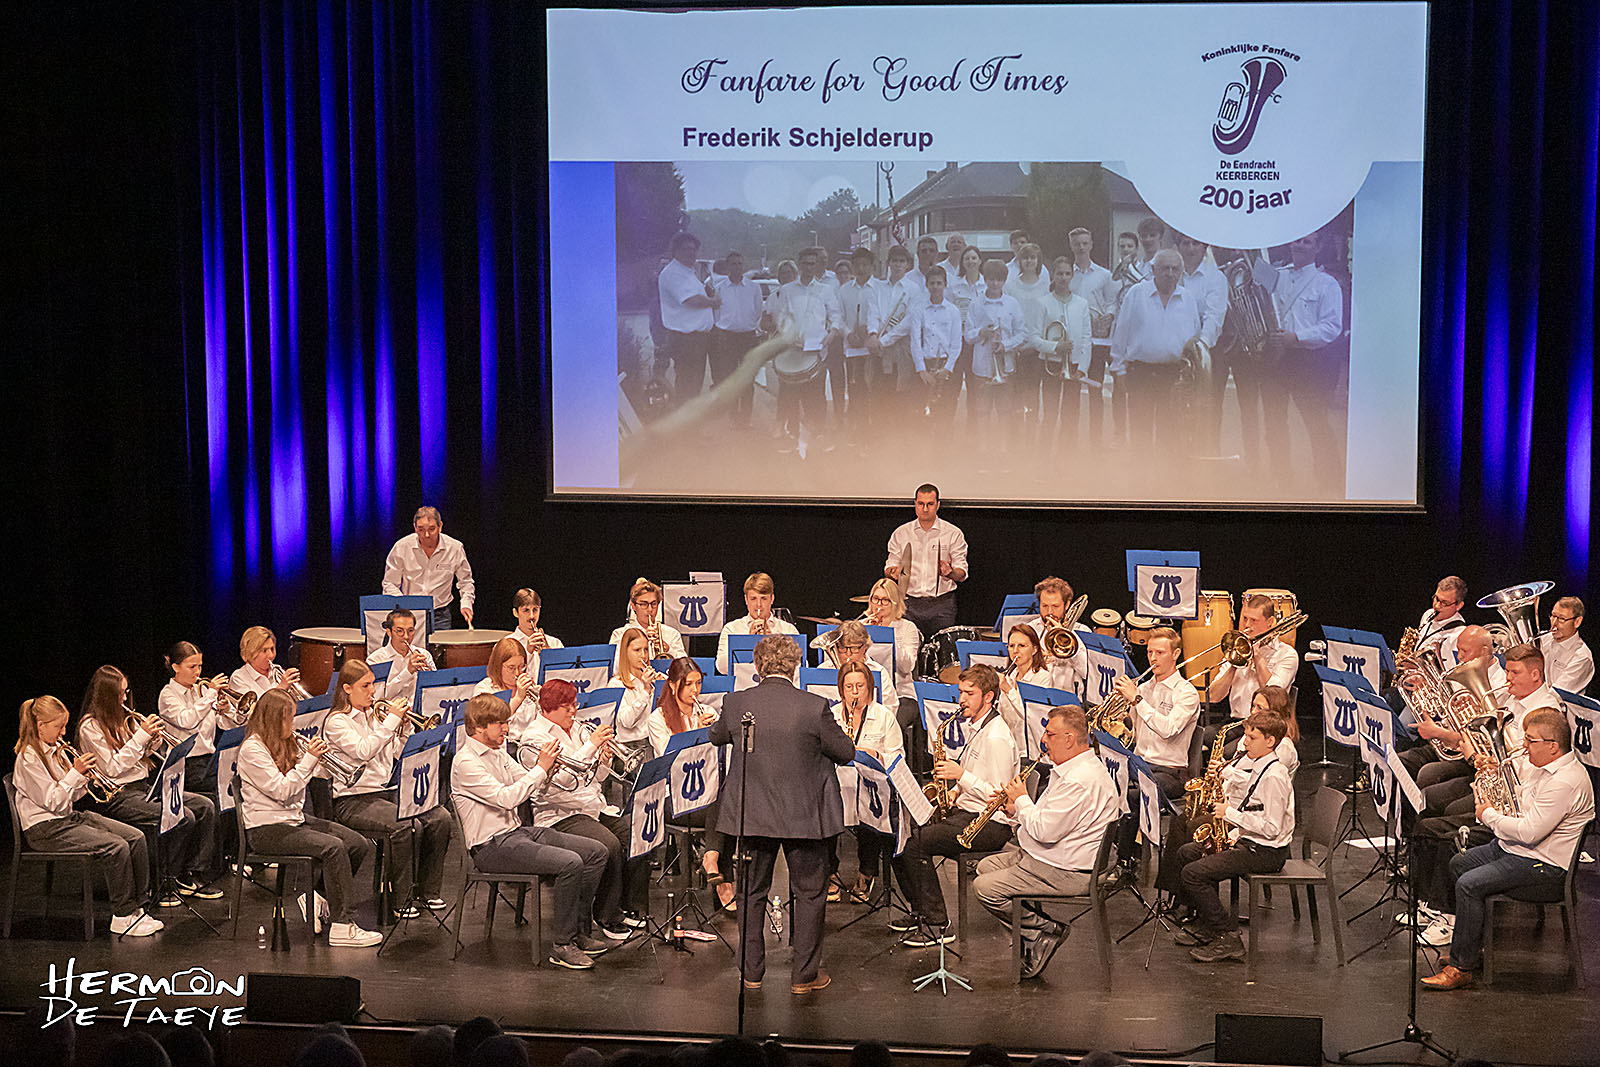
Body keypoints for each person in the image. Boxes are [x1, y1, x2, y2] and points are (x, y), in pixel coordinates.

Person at [710, 635, 855, 994]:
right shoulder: (814, 706)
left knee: (750, 893)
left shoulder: (735, 702)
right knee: (809, 894)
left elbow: (716, 737)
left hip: (752, 816)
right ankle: (804, 977)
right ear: (795, 666)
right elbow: (846, 752)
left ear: (757, 667)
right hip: (804, 817)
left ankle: (752, 973)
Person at [1421, 707, 1595, 989]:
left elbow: (1529, 832)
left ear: (1552, 746)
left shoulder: (1565, 782)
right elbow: (1521, 806)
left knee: (1469, 884)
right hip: (1519, 851)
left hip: (1545, 868)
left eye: (1530, 741)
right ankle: (1471, 946)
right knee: (1459, 863)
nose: (1523, 747)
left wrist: (1488, 814)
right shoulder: (1544, 768)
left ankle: (1461, 967)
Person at [1411, 642, 1562, 943]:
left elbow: (1522, 765)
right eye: (1506, 670)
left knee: (1446, 822)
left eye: (1515, 672)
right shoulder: (1512, 699)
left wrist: (1481, 760)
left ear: (1535, 675)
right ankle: (1430, 902)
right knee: (1428, 816)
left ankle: (1448, 914)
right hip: (1498, 785)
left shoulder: (1545, 712)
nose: (1507, 678)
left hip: (1517, 802)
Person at [451, 692, 611, 969]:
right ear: (479, 727)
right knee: (571, 863)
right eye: (499, 724)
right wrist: (540, 767)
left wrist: (550, 770)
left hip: (516, 833)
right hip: (490, 847)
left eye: (506, 722)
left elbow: (528, 782)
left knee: (596, 851)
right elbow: (508, 798)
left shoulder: (497, 752)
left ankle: (579, 932)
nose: (506, 728)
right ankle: (562, 944)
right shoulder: (465, 762)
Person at [973, 706, 1120, 978]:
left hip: (1067, 870)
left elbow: (1044, 831)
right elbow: (1046, 820)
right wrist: (1016, 811)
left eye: (1050, 734)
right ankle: (1033, 937)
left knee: (984, 888)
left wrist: (1020, 799)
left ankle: (1041, 930)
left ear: (1069, 739)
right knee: (984, 867)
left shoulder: (1080, 780)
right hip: (1051, 856)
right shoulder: (1072, 768)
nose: (1043, 739)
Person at [237, 689, 381, 947]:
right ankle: (342, 926)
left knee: (357, 843)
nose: (292, 725)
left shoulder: (284, 743)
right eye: (288, 719)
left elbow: (312, 778)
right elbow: (282, 791)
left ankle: (315, 898)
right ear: (272, 719)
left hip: (293, 819)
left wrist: (322, 763)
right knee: (333, 847)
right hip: (266, 829)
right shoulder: (252, 750)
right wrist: (308, 762)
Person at [892, 663, 1019, 945]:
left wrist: (961, 776)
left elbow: (999, 797)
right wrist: (954, 792)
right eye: (961, 692)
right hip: (967, 812)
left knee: (917, 842)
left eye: (969, 693)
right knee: (901, 835)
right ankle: (920, 911)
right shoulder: (977, 726)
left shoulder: (996, 736)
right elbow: (977, 776)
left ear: (988, 697)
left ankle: (938, 925)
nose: (961, 699)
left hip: (990, 824)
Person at [15, 696, 160, 936]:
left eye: (64, 726)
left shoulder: (55, 750)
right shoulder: (29, 758)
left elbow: (70, 796)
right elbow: (53, 801)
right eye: (58, 727)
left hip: (66, 818)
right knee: (115, 846)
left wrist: (85, 778)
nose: (63, 732)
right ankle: (122, 916)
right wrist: (75, 773)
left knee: (135, 837)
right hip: (45, 829)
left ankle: (139, 908)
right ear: (40, 726)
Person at [322, 661, 454, 917]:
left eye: (372, 684)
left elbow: (396, 754)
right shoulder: (337, 722)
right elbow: (363, 751)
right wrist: (392, 721)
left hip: (386, 793)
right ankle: (400, 899)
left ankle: (427, 891)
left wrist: (403, 730)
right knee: (406, 826)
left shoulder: (375, 717)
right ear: (347, 688)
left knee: (440, 818)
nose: (373, 691)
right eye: (365, 686)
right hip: (354, 800)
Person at [78, 666, 220, 903]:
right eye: (120, 694)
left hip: (142, 787)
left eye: (126, 692)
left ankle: (189, 873)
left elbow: (139, 757)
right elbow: (113, 769)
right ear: (106, 695)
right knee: (182, 816)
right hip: (117, 796)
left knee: (204, 806)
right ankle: (164, 882)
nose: (125, 698)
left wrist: (152, 742)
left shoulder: (124, 719)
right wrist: (141, 737)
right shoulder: (90, 727)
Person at [521, 680, 647, 936]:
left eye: (574, 706)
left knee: (636, 836)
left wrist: (604, 760)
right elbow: (564, 782)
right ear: (547, 708)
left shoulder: (575, 729)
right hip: (559, 814)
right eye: (566, 708)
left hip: (591, 806)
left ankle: (630, 907)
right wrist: (591, 746)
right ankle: (606, 916)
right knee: (609, 844)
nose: (573, 712)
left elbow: (596, 778)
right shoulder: (534, 738)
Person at [1171, 711, 1295, 962]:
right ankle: (1208, 924)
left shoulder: (1274, 775)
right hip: (1248, 842)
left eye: (1252, 737)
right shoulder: (1260, 767)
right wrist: (1234, 834)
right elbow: (1254, 809)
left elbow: (1272, 828)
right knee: (1187, 853)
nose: (1245, 742)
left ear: (1270, 741)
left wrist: (1230, 815)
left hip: (1265, 853)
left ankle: (1227, 935)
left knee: (1193, 874)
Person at [1261, 232, 1345, 493]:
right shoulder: (1276, 276)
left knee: (1315, 421)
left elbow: (1332, 327)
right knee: (1274, 422)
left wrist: (1296, 337)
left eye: (1307, 242)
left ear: (1317, 248)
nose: (1299, 245)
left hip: (1307, 361)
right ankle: (1281, 477)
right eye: (1297, 240)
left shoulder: (1326, 284)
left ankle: (1329, 480)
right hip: (1274, 358)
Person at [648, 658, 733, 909]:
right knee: (724, 806)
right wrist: (699, 732)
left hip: (706, 792)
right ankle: (723, 881)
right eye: (689, 684)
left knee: (728, 800)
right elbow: (669, 759)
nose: (696, 690)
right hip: (672, 797)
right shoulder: (658, 719)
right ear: (674, 686)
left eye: (698, 683)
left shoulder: (708, 713)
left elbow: (724, 759)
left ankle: (711, 859)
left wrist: (717, 732)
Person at [1108, 249, 1201, 456]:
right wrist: (1118, 370)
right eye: (1164, 268)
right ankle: (1140, 485)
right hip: (1141, 375)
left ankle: (1165, 485)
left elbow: (1195, 337)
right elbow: (1120, 334)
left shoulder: (1188, 299)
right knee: (1140, 437)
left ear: (1181, 272)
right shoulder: (1136, 294)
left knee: (1170, 438)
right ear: (1153, 270)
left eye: (1175, 269)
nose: (1169, 273)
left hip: (1174, 377)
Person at [830, 661, 904, 904]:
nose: (854, 692)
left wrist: (876, 755)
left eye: (860, 686)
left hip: (872, 786)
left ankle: (866, 872)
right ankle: (830, 872)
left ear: (869, 688)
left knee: (870, 811)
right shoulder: (830, 716)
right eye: (849, 686)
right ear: (841, 690)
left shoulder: (884, 717)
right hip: (839, 784)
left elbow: (897, 755)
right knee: (822, 806)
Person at [884, 483, 969, 635]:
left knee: (943, 652)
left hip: (942, 605)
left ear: (938, 505)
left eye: (930, 504)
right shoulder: (901, 533)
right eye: (921, 504)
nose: (925, 509)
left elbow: (961, 574)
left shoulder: (952, 533)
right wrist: (893, 572)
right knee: (908, 651)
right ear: (915, 504)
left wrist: (949, 572)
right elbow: (889, 567)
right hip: (908, 603)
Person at [1205, 593, 1300, 725]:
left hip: (1267, 725)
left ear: (1270, 622)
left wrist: (1257, 657)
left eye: (1254, 620)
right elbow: (1213, 697)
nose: (1247, 626)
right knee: (1205, 736)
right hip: (1237, 722)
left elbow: (1272, 698)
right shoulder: (1237, 648)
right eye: (1245, 619)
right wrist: (1233, 664)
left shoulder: (1286, 654)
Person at [381, 506, 476, 632]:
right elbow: (389, 583)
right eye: (421, 529)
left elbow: (466, 581)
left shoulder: (454, 548)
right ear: (415, 528)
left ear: (440, 526)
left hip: (440, 613)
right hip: (409, 614)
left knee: (440, 650)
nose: (426, 535)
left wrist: (466, 603)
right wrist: (402, 605)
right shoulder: (401, 547)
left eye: (432, 529)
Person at [965, 259, 1026, 444]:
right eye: (991, 279)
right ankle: (983, 449)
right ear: (985, 279)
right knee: (982, 411)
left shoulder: (1012, 304)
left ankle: (1002, 449)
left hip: (1005, 366)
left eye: (999, 280)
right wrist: (981, 333)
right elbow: (967, 334)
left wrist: (1005, 345)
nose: (995, 283)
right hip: (982, 367)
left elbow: (1023, 333)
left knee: (1004, 410)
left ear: (1004, 281)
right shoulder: (976, 304)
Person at [1037, 256, 1093, 454]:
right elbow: (1034, 337)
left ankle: (1066, 459)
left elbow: (1087, 338)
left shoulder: (1081, 303)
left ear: (1072, 275)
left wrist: (1083, 369)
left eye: (1067, 273)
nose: (1063, 277)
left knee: (1071, 415)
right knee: (1050, 415)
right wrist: (1054, 347)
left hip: (1074, 366)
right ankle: (1044, 457)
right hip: (1051, 365)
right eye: (1059, 273)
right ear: (1053, 275)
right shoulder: (1043, 302)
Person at [657, 232, 719, 400]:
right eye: (686, 249)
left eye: (693, 249)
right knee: (687, 386)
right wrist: (714, 302)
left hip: (696, 339)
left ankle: (690, 422)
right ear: (675, 251)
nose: (691, 253)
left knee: (694, 385)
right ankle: (685, 424)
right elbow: (691, 300)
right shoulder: (672, 273)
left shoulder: (687, 272)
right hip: (685, 340)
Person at [159, 640, 226, 797]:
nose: (198, 672)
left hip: (210, 759)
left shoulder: (202, 690)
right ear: (175, 667)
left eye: (200, 666)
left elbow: (226, 724)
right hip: (186, 765)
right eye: (192, 667)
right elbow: (187, 721)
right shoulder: (167, 694)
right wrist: (210, 695)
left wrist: (224, 709)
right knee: (222, 786)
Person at [864, 577, 923, 748]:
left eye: (885, 600)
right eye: (875, 599)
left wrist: (888, 635)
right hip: (868, 693)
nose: (879, 605)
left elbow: (907, 667)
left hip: (902, 694)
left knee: (891, 724)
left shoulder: (907, 628)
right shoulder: (862, 627)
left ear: (895, 603)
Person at [710, 249, 764, 427]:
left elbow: (757, 311)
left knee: (748, 379)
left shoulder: (753, 288)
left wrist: (746, 325)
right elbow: (716, 313)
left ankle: (746, 418)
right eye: (733, 264)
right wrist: (727, 326)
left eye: (740, 264)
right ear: (727, 267)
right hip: (727, 338)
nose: (737, 267)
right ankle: (733, 416)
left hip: (748, 337)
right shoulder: (720, 288)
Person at [1005, 243, 1052, 445]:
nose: (1029, 261)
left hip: (1037, 347)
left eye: (1033, 257)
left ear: (1038, 260)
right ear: (1020, 262)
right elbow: (1009, 314)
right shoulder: (1011, 284)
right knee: (1016, 393)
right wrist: (1014, 341)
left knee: (1033, 394)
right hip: (1017, 346)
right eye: (1025, 258)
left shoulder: (1045, 283)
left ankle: (1033, 438)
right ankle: (1015, 438)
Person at [837, 246, 884, 436]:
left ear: (872, 267)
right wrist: (849, 334)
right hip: (852, 349)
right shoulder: (844, 290)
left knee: (874, 390)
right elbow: (837, 317)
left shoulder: (879, 288)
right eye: (858, 265)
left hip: (873, 348)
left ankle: (874, 430)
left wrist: (870, 332)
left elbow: (882, 314)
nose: (861, 269)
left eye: (865, 265)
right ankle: (858, 430)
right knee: (855, 389)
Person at [716, 572, 799, 674]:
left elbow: (801, 666)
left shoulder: (788, 629)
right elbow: (721, 668)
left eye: (764, 598)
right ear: (746, 599)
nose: (758, 605)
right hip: (743, 687)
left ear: (772, 599)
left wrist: (772, 644)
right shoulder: (731, 629)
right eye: (753, 599)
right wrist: (748, 642)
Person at [609, 578, 688, 673]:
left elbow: (685, 669)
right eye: (643, 604)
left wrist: (668, 650)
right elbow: (615, 669)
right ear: (633, 606)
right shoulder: (619, 634)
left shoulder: (672, 634)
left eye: (653, 604)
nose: (650, 609)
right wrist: (641, 640)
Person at [1029, 576, 1091, 697]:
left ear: (1067, 604)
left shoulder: (1081, 631)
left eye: (1055, 606)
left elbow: (1087, 672)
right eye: (1044, 606)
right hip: (1036, 696)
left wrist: (1067, 639)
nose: (1050, 612)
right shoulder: (1031, 629)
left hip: (1067, 700)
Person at [997, 625, 1053, 758]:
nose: (1015, 651)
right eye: (1011, 646)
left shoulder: (1042, 677)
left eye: (1022, 646)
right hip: (1007, 747)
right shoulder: (1009, 676)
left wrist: (1009, 691)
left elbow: (1032, 717)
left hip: (1028, 752)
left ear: (1034, 649)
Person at [612, 626, 663, 768]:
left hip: (654, 741)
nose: (643, 656)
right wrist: (645, 691)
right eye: (637, 650)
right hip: (631, 748)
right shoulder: (617, 684)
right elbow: (627, 722)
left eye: (646, 649)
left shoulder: (653, 679)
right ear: (625, 652)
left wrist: (663, 688)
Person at [367, 608, 437, 706]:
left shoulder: (424, 654)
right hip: (389, 714)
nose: (406, 637)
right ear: (389, 632)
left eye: (410, 631)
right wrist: (408, 671)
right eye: (400, 631)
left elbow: (434, 691)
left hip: (419, 712)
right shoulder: (376, 659)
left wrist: (429, 678)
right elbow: (379, 697)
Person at [477, 637, 539, 741]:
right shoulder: (484, 689)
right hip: (502, 746)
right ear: (498, 666)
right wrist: (519, 698)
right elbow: (493, 722)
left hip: (531, 742)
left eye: (521, 667)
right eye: (511, 668)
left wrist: (544, 700)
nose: (517, 673)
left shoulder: (527, 686)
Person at [229, 626, 305, 698]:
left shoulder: (277, 670)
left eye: (272, 649)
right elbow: (254, 710)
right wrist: (281, 688)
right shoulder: (238, 678)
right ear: (251, 652)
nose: (271, 655)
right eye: (264, 650)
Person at [507, 587, 564, 677]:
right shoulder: (504, 645)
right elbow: (507, 679)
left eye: (535, 610)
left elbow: (563, 676)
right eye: (526, 610)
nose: (531, 616)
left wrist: (549, 657)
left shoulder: (555, 643)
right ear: (515, 613)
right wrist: (528, 653)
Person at [1541, 596, 1593, 693]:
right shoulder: (1543, 639)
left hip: (1559, 707)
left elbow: (1557, 694)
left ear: (1577, 622)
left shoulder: (1582, 657)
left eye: (1562, 619)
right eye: (1553, 616)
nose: (1554, 623)